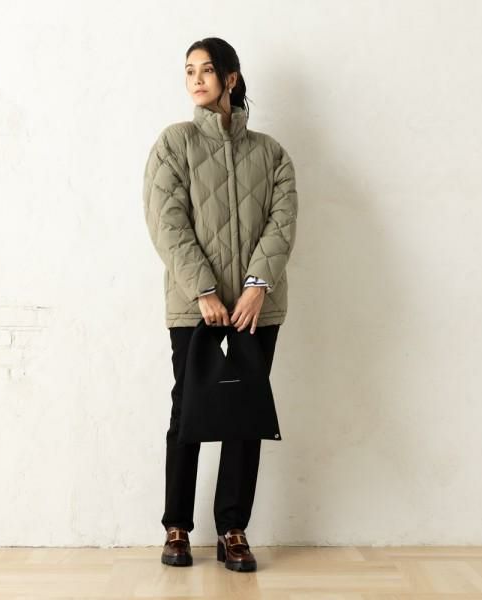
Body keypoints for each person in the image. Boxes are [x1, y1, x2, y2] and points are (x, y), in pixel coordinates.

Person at [143, 37, 298, 572]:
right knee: (188, 412)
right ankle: (177, 528)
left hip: (256, 307)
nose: (196, 79)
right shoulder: (174, 143)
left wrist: (258, 285)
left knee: (244, 415)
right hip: (195, 307)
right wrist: (204, 290)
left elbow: (283, 221)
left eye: (206, 70)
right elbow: (167, 222)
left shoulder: (271, 153)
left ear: (230, 78)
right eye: (189, 70)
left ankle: (233, 529)